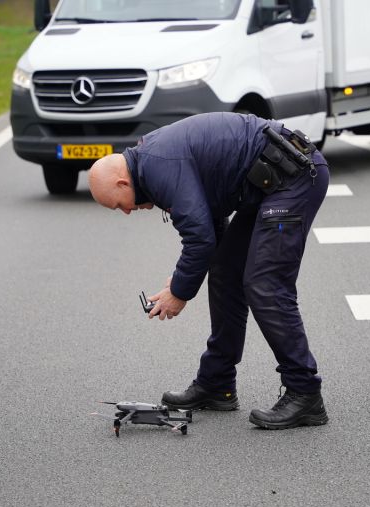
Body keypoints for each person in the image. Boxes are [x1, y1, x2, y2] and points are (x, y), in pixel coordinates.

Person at [88, 112, 331, 430]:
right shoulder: (150, 165)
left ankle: (305, 392)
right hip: (268, 184)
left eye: (118, 205)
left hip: (293, 177)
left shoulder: (158, 167)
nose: (126, 212)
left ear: (122, 182)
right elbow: (211, 226)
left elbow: (200, 238)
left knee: (264, 284)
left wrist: (179, 293)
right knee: (226, 273)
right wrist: (180, 280)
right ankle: (217, 384)